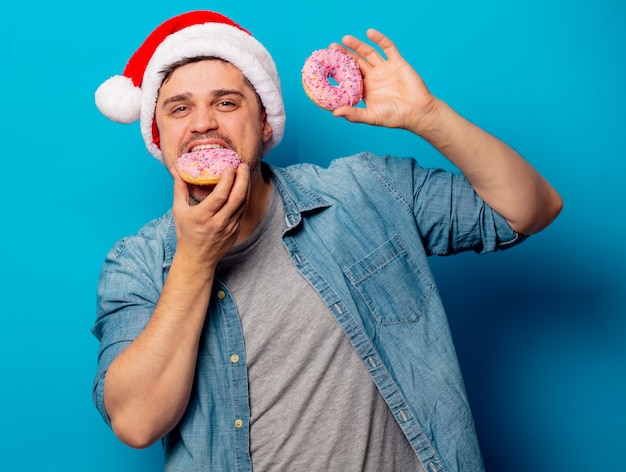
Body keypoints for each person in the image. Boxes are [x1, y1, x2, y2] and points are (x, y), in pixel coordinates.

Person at [91, 10, 562, 472]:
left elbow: (532, 208)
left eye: (227, 103)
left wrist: (429, 117)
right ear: (159, 135)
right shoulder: (137, 263)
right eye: (179, 108)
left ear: (265, 124)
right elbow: (136, 423)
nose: (202, 124)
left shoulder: (367, 189)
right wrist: (195, 260)